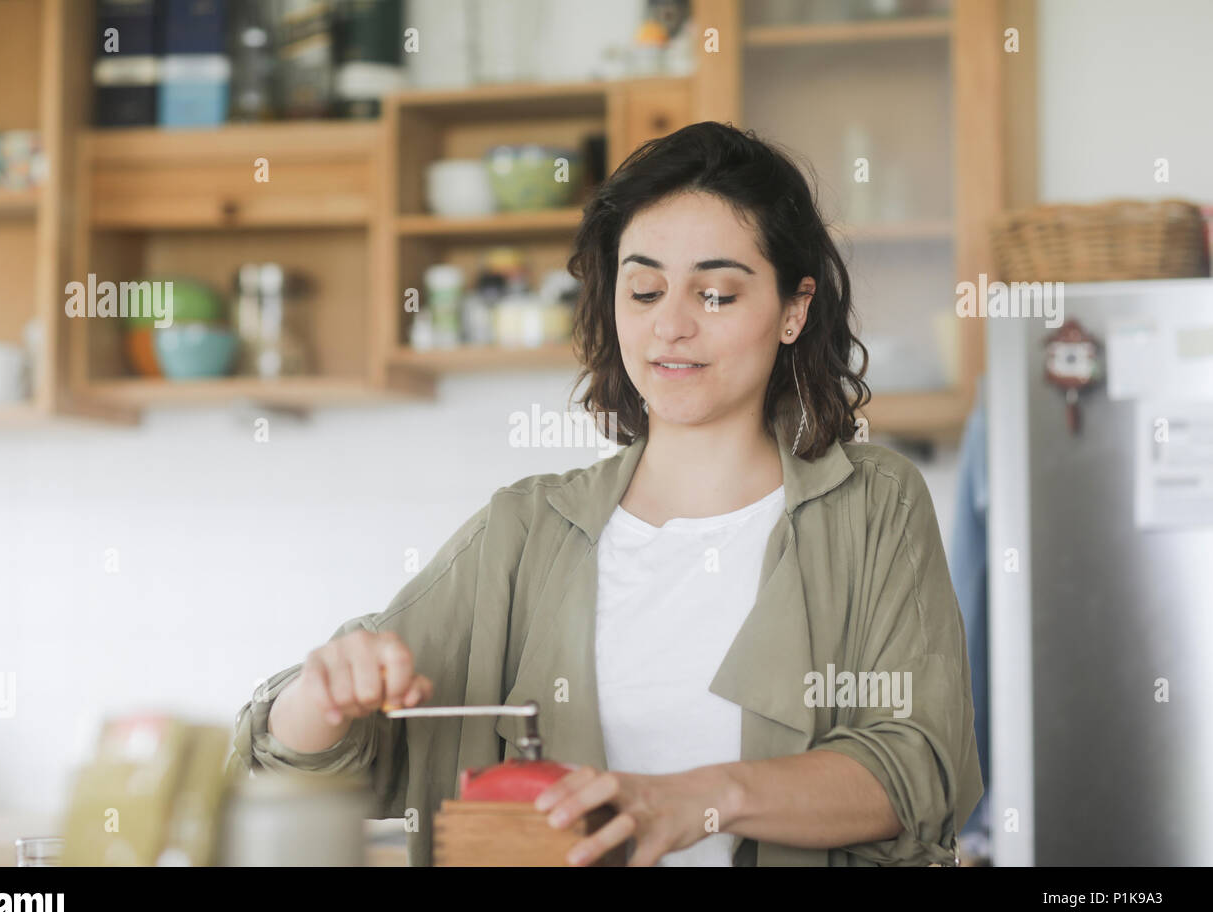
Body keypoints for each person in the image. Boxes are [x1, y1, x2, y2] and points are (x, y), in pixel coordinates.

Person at [228, 121, 983, 867]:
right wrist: (322, 696)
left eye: (716, 294)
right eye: (645, 289)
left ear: (794, 309)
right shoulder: (526, 529)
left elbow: (917, 765)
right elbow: (297, 758)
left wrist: (698, 798)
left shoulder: (873, 503)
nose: (672, 325)